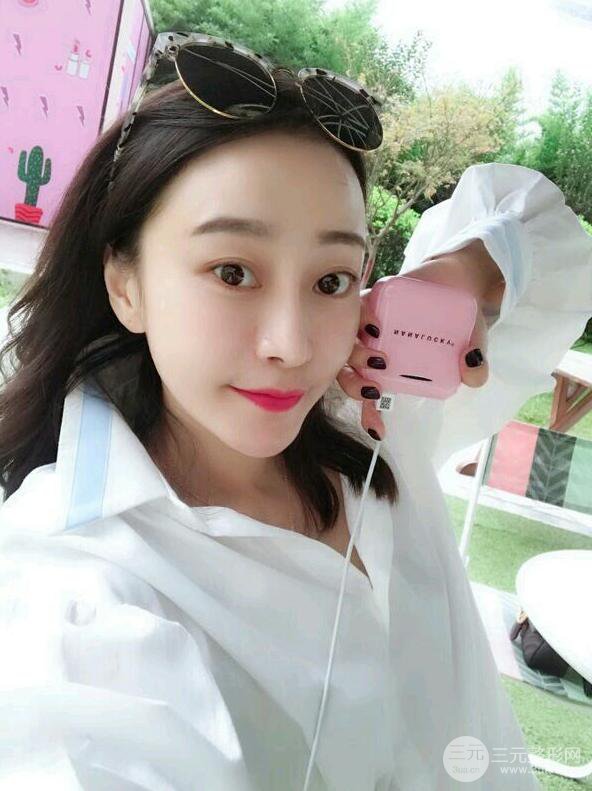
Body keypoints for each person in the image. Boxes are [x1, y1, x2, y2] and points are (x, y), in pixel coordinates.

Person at [1, 45, 591, 790]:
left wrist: (461, 275)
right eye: (233, 272)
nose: (294, 345)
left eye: (331, 279)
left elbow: (547, 234)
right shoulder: (77, 588)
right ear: (126, 284)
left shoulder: (370, 415)